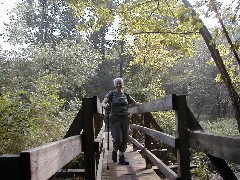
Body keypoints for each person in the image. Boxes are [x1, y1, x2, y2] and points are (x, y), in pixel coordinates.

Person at [102, 77, 141, 165]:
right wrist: (106, 105)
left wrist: (141, 105)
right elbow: (103, 102)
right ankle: (115, 150)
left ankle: (121, 157)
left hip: (125, 118)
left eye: (120, 83)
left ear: (122, 85)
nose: (119, 85)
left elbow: (134, 103)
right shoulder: (111, 94)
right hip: (115, 118)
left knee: (125, 138)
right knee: (117, 139)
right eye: (117, 84)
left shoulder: (126, 95)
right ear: (115, 85)